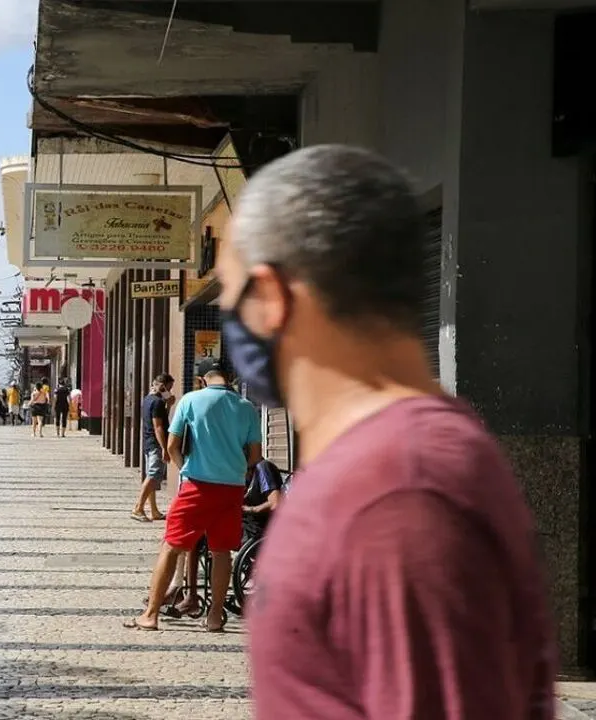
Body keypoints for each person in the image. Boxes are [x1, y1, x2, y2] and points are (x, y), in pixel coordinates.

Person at [216, 146, 557, 717]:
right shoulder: (390, 468)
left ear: (273, 296)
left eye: (231, 296)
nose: (231, 320)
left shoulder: (396, 492)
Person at [125, 356, 260, 634]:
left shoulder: (190, 400)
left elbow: (173, 444)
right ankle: (213, 618)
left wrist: (184, 467)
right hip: (232, 489)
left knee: (172, 545)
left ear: (201, 379)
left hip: (197, 485)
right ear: (228, 376)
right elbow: (255, 455)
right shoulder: (247, 408)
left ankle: (150, 614)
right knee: (222, 553)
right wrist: (235, 468)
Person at [132, 374, 174, 522]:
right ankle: (138, 508)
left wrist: (168, 404)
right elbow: (158, 427)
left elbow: (161, 419)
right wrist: (164, 448)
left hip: (148, 442)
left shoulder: (148, 399)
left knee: (152, 476)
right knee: (153, 475)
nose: (170, 391)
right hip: (155, 443)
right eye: (168, 388)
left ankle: (154, 510)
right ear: (162, 386)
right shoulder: (156, 402)